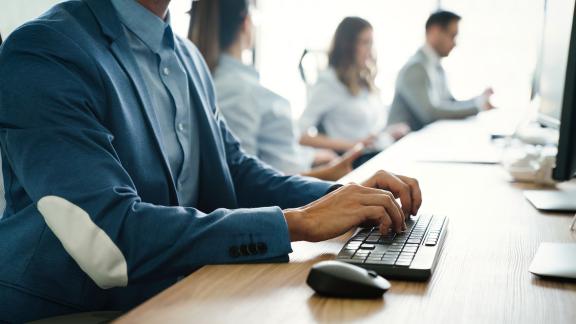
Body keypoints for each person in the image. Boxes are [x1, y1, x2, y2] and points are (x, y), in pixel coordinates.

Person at [0, 0, 422, 322]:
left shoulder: (186, 56)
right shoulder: (45, 52)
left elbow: (235, 172)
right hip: (74, 309)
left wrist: (346, 198)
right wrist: (299, 222)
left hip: (180, 288)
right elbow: (109, 239)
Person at [190, 0, 360, 181]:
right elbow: (244, 180)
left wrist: (313, 157)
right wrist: (326, 175)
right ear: (246, 23)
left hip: (303, 171)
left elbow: (274, 153)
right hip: (295, 194)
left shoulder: (238, 82)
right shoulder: (235, 90)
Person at [298, 17, 410, 154]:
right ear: (347, 46)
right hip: (356, 159)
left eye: (371, 43)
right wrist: (352, 145)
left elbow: (367, 130)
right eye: (365, 43)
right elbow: (300, 135)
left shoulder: (362, 80)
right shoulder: (328, 83)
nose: (370, 51)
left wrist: (388, 133)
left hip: (377, 152)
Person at [387, 10, 494, 131]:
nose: (455, 43)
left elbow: (449, 103)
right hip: (402, 144)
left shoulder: (436, 66)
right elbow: (430, 113)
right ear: (434, 31)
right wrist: (478, 106)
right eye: (452, 35)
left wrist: (478, 100)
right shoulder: (415, 68)